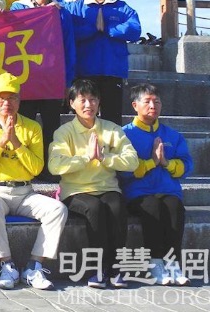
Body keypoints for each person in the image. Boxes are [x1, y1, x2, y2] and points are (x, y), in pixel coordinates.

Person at [0, 73, 68, 291]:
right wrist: (2, 141)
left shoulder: (32, 127)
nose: (7, 103)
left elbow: (35, 168)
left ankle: (35, 266)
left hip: (25, 192)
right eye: (1, 98)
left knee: (58, 210)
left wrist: (15, 142)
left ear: (20, 99)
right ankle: (6, 264)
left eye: (12, 97)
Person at [48, 78, 139, 288]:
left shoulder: (111, 129)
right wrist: (86, 158)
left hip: (107, 187)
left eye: (93, 99)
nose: (88, 105)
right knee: (95, 209)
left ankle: (116, 268)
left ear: (99, 103)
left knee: (117, 207)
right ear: (71, 103)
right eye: (82, 100)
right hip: (75, 191)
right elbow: (55, 166)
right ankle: (97, 269)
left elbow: (132, 161)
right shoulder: (64, 133)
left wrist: (105, 158)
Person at [121, 83, 193, 286]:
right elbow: (122, 170)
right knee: (151, 206)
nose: (153, 105)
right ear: (135, 105)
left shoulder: (172, 135)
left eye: (157, 101)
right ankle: (155, 263)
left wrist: (167, 163)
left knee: (174, 207)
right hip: (138, 192)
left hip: (168, 190)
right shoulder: (125, 135)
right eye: (147, 101)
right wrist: (151, 162)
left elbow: (187, 165)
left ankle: (173, 263)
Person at [66, 0, 141, 126]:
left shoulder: (121, 7)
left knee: (112, 119)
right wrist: (92, 28)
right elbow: (69, 32)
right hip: (84, 72)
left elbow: (135, 30)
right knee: (84, 118)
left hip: (112, 71)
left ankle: (112, 151)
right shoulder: (75, 8)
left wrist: (108, 28)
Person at [9, 0, 76, 151]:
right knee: (26, 122)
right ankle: (27, 164)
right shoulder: (18, 8)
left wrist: (67, 81)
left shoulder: (61, 12)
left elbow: (68, 48)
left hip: (51, 77)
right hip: (27, 75)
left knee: (51, 124)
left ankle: (49, 168)